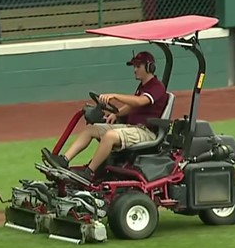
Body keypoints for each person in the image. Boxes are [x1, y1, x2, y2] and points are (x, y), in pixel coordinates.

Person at [42, 51, 169, 181]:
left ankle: (89, 172)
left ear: (149, 67)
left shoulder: (157, 87)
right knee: (91, 129)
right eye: (134, 67)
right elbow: (133, 106)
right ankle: (64, 160)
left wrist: (115, 96)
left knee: (109, 136)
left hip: (146, 131)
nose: (135, 70)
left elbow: (139, 101)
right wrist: (116, 113)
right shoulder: (143, 87)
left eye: (138, 66)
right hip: (133, 128)